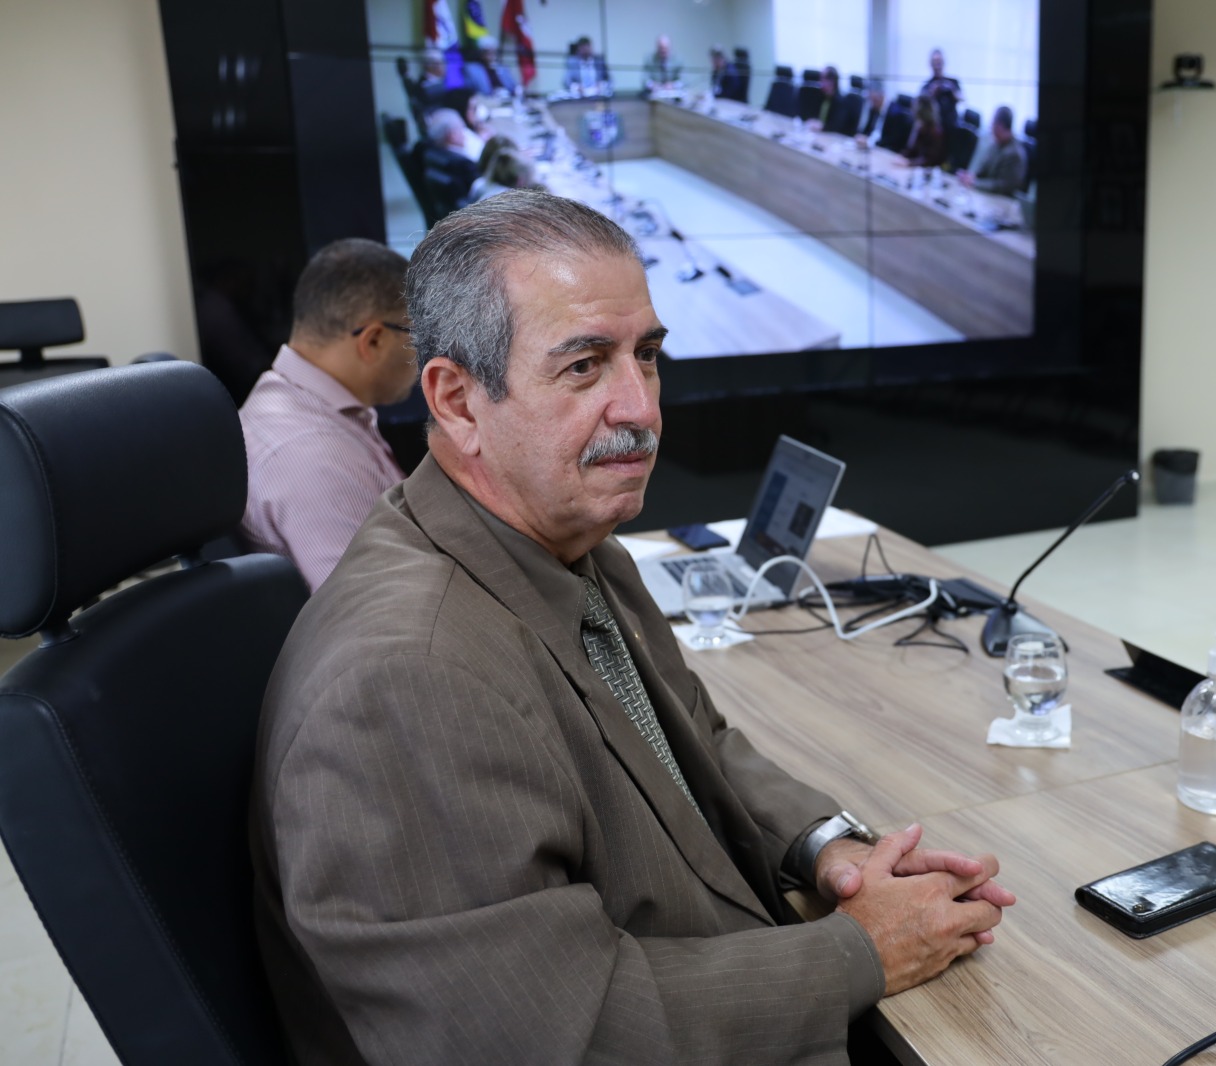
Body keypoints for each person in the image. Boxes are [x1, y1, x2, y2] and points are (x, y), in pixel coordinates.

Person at [251, 190, 1015, 1064]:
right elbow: (549, 1034)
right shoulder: (409, 679)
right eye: (584, 366)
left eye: (646, 356)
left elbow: (693, 740)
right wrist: (862, 952)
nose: (641, 408)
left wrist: (827, 848)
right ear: (458, 401)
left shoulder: (568, 540)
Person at [237, 239, 414, 592]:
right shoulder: (314, 455)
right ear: (374, 341)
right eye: (418, 334)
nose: (424, 354)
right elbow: (375, 607)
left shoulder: (304, 403)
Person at [958, 106, 1028, 196]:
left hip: (1002, 199)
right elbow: (984, 169)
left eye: (993, 123)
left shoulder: (1015, 154)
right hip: (986, 195)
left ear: (1000, 126)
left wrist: (975, 183)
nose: (991, 126)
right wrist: (971, 176)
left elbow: (1002, 186)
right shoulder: (996, 144)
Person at [898, 93, 946, 168]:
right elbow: (913, 150)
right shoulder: (921, 125)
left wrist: (909, 163)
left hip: (926, 170)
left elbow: (928, 160)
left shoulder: (935, 132)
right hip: (914, 166)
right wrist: (902, 156)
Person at [920, 48, 962, 133]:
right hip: (933, 130)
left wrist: (952, 90)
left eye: (939, 62)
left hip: (952, 126)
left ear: (943, 63)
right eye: (935, 62)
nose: (937, 66)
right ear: (931, 64)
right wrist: (932, 93)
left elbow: (961, 98)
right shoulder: (926, 86)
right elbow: (920, 106)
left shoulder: (952, 82)